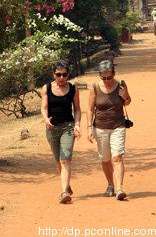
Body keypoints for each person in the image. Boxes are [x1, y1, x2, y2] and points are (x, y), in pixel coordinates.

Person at [88, 60, 131, 201]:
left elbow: (128, 102)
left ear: (114, 74)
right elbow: (89, 109)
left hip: (118, 125)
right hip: (100, 127)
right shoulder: (95, 87)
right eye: (103, 77)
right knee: (105, 159)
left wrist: (125, 96)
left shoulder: (121, 85)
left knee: (117, 157)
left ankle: (120, 188)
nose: (106, 80)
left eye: (109, 77)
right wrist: (89, 127)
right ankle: (110, 184)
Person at [41, 63, 81, 204]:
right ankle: (67, 185)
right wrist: (46, 119)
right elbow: (44, 108)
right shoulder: (46, 88)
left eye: (64, 74)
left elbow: (77, 109)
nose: (62, 77)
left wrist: (77, 124)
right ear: (54, 75)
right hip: (52, 129)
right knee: (58, 160)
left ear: (68, 75)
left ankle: (64, 192)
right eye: (58, 74)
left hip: (68, 127)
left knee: (65, 159)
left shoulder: (73, 89)